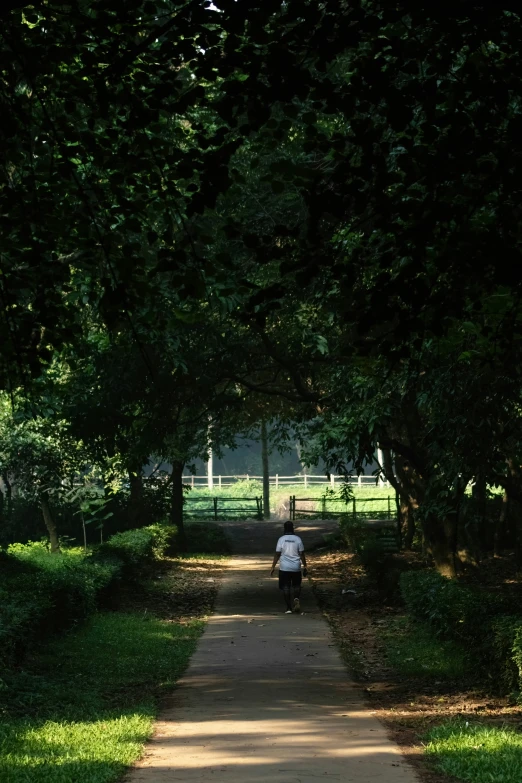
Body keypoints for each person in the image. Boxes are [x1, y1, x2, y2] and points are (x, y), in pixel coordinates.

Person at [270, 521, 308, 613]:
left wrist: (273, 566)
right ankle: (296, 598)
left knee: (286, 587)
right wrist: (305, 566)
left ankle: (288, 608)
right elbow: (302, 554)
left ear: (284, 528)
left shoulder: (281, 539)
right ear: (293, 528)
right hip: (296, 567)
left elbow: (277, 554)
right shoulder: (298, 539)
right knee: (297, 585)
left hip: (284, 567)